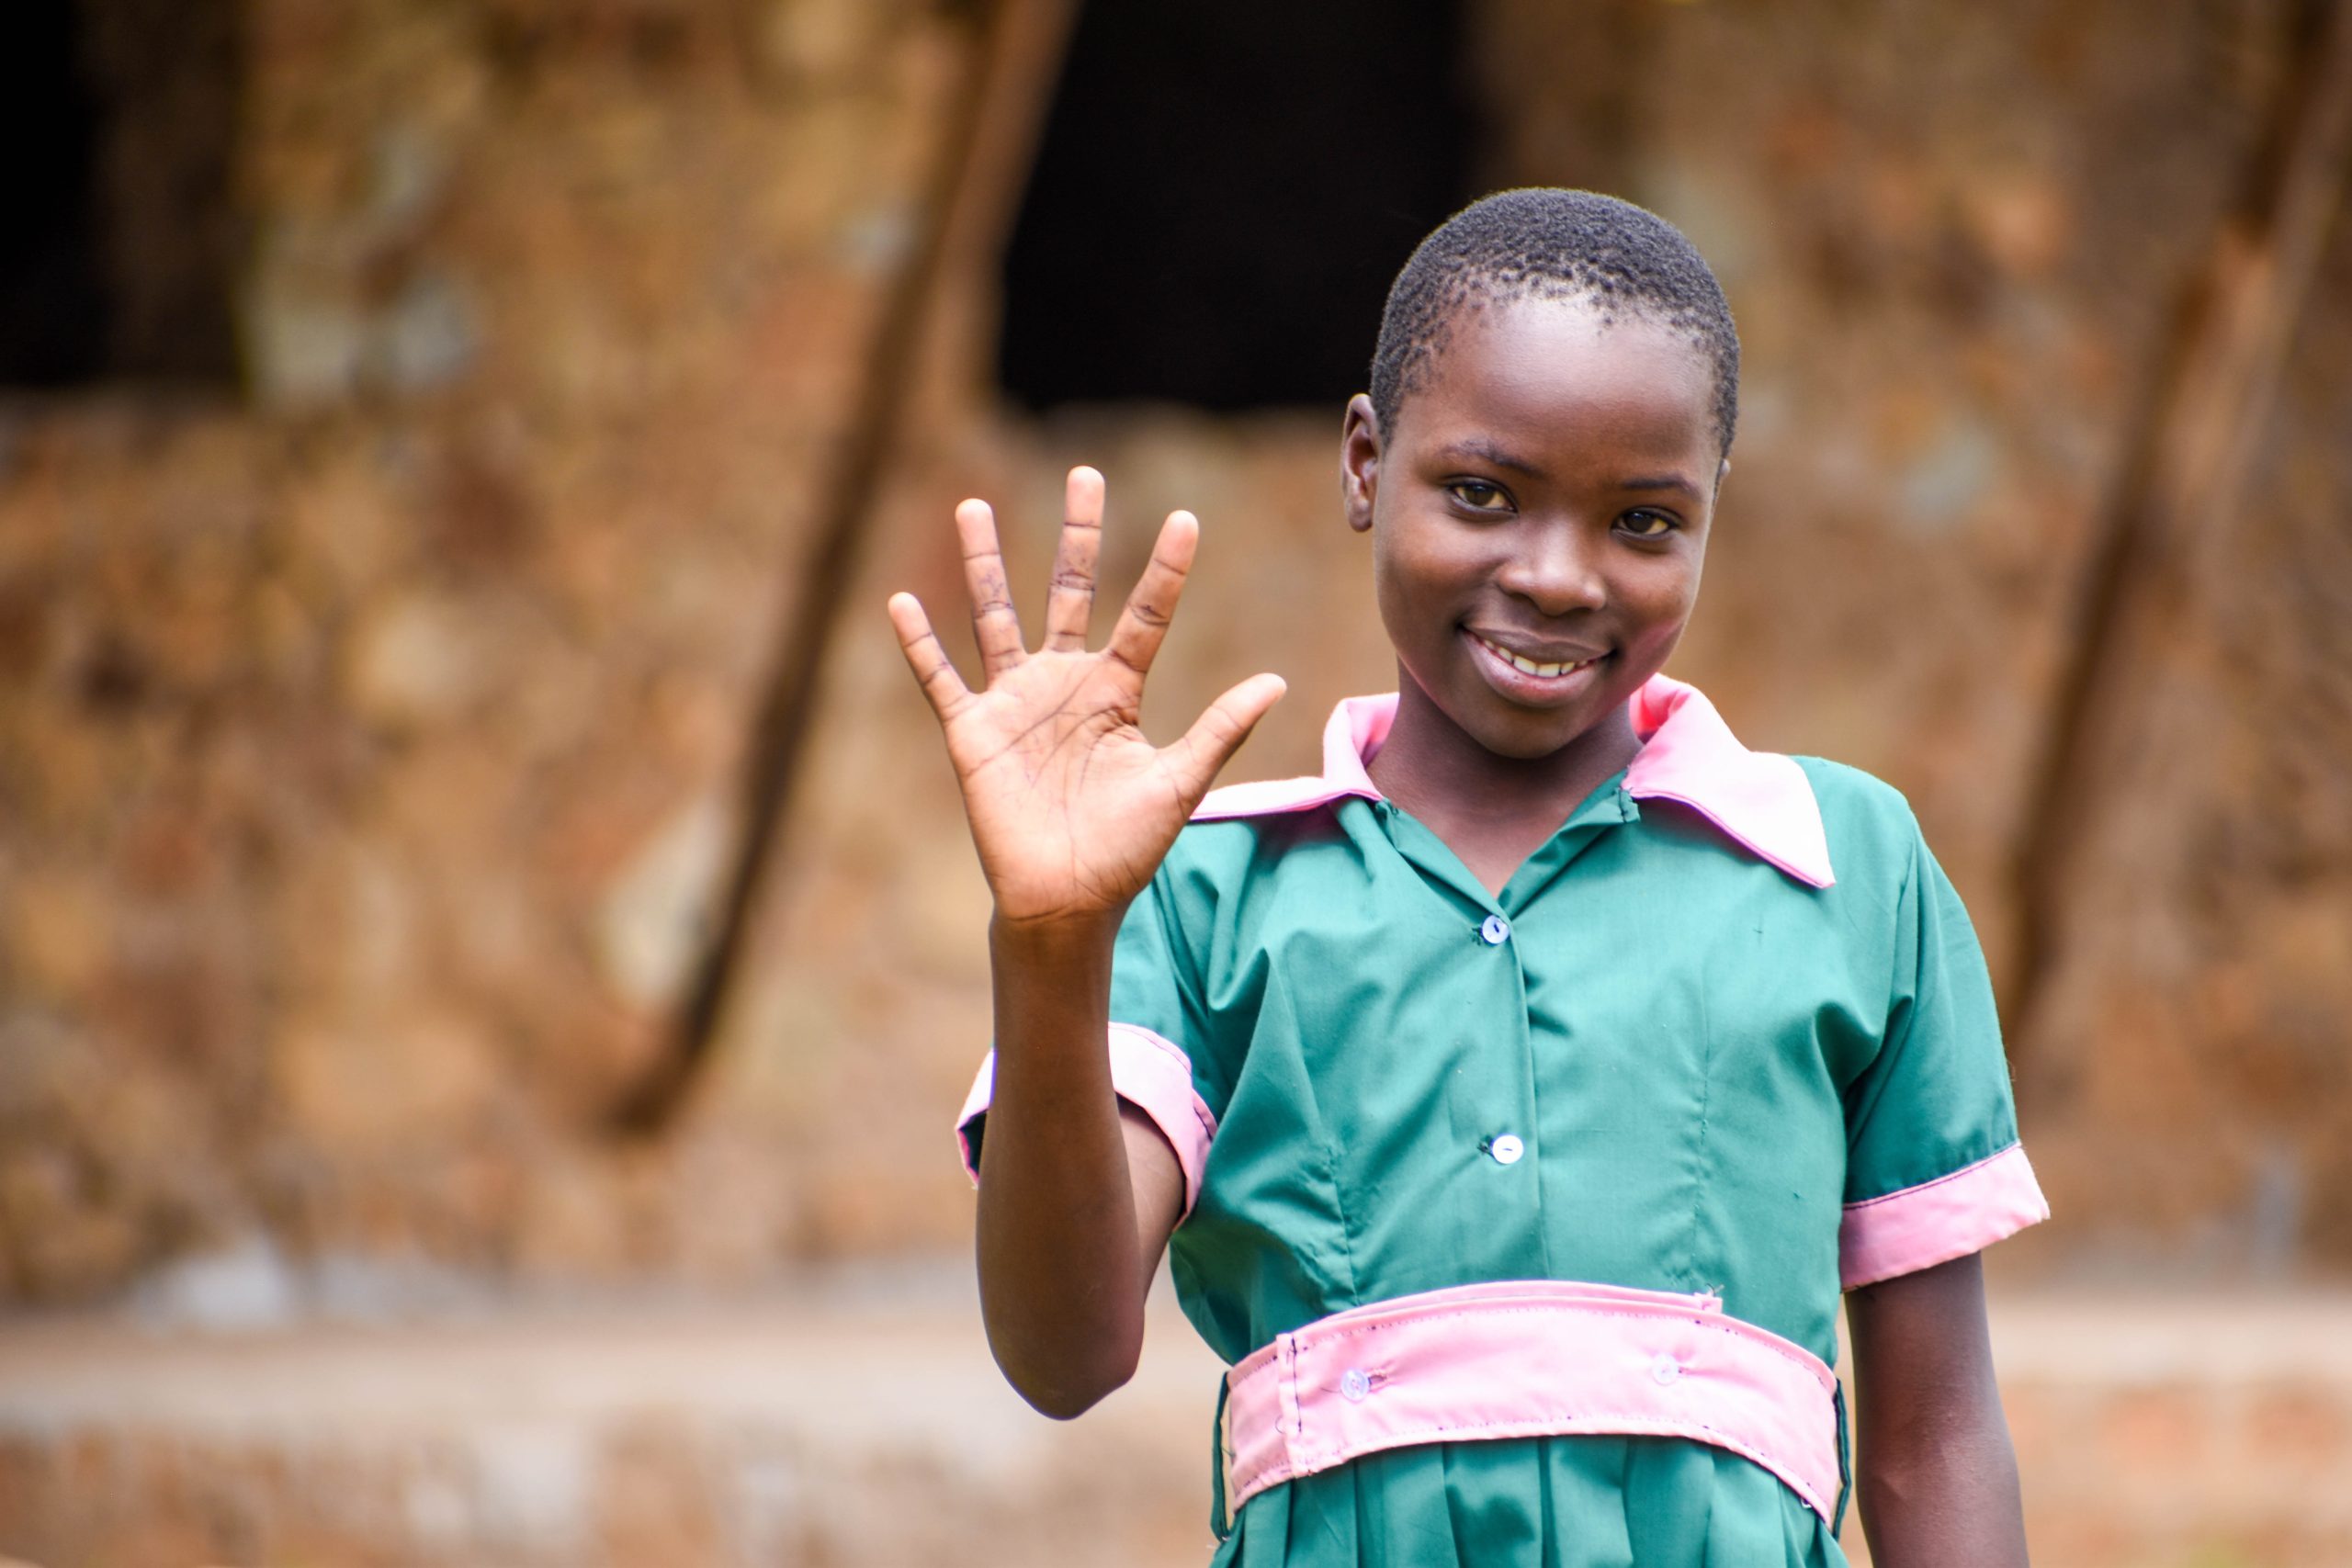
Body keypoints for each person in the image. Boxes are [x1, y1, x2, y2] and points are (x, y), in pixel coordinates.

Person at [887, 188, 2047, 1567]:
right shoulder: (1207, 893)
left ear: (1712, 511)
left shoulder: (1842, 869)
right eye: (1482, 494)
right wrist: (1050, 942)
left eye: (1643, 520)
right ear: (1368, 463)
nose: (1557, 577)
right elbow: (1062, 1353)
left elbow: (1936, 1438)